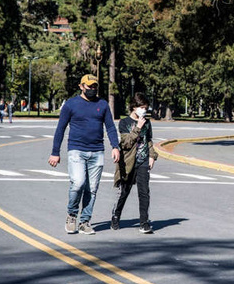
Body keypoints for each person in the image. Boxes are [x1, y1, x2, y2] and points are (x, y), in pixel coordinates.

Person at [48, 74, 120, 235]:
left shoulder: (102, 104)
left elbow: (110, 127)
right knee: (78, 183)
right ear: (81, 87)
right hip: (76, 150)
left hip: (97, 151)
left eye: (95, 86)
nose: (92, 89)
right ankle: (72, 215)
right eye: (89, 87)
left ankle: (85, 221)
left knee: (92, 188)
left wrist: (115, 146)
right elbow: (60, 129)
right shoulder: (71, 104)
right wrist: (55, 152)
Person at [111, 92, 158, 234]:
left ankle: (144, 222)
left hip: (143, 161)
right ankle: (116, 214)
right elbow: (125, 143)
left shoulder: (147, 122)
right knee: (124, 191)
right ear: (134, 107)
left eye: (146, 108)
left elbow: (148, 140)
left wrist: (152, 156)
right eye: (142, 107)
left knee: (144, 193)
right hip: (128, 162)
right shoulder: (124, 122)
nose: (144, 110)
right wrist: (137, 127)